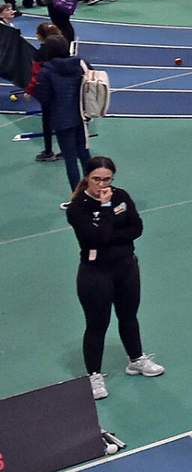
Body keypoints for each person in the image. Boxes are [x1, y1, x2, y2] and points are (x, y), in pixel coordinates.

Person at [68, 156, 163, 401]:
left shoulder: (121, 195)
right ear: (87, 178)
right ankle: (94, 375)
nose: (102, 184)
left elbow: (137, 228)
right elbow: (95, 239)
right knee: (97, 325)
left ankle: (136, 360)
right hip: (95, 273)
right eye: (96, 179)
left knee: (129, 316)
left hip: (126, 267)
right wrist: (107, 209)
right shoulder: (78, 207)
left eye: (107, 179)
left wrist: (111, 233)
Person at [35, 34, 90, 189]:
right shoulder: (80, 63)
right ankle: (96, 192)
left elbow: (44, 98)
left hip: (61, 120)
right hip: (81, 114)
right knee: (85, 155)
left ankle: (77, 198)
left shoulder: (46, 71)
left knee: (70, 159)